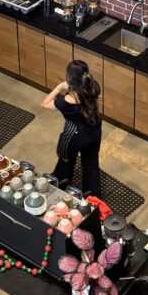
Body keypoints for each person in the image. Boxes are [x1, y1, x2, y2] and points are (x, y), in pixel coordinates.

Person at [42, 59, 102, 198]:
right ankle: (93, 198)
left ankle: (61, 187)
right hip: (94, 131)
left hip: (74, 136)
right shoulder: (94, 88)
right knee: (92, 167)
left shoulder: (65, 102)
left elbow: (44, 104)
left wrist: (58, 88)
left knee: (65, 161)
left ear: (69, 78)